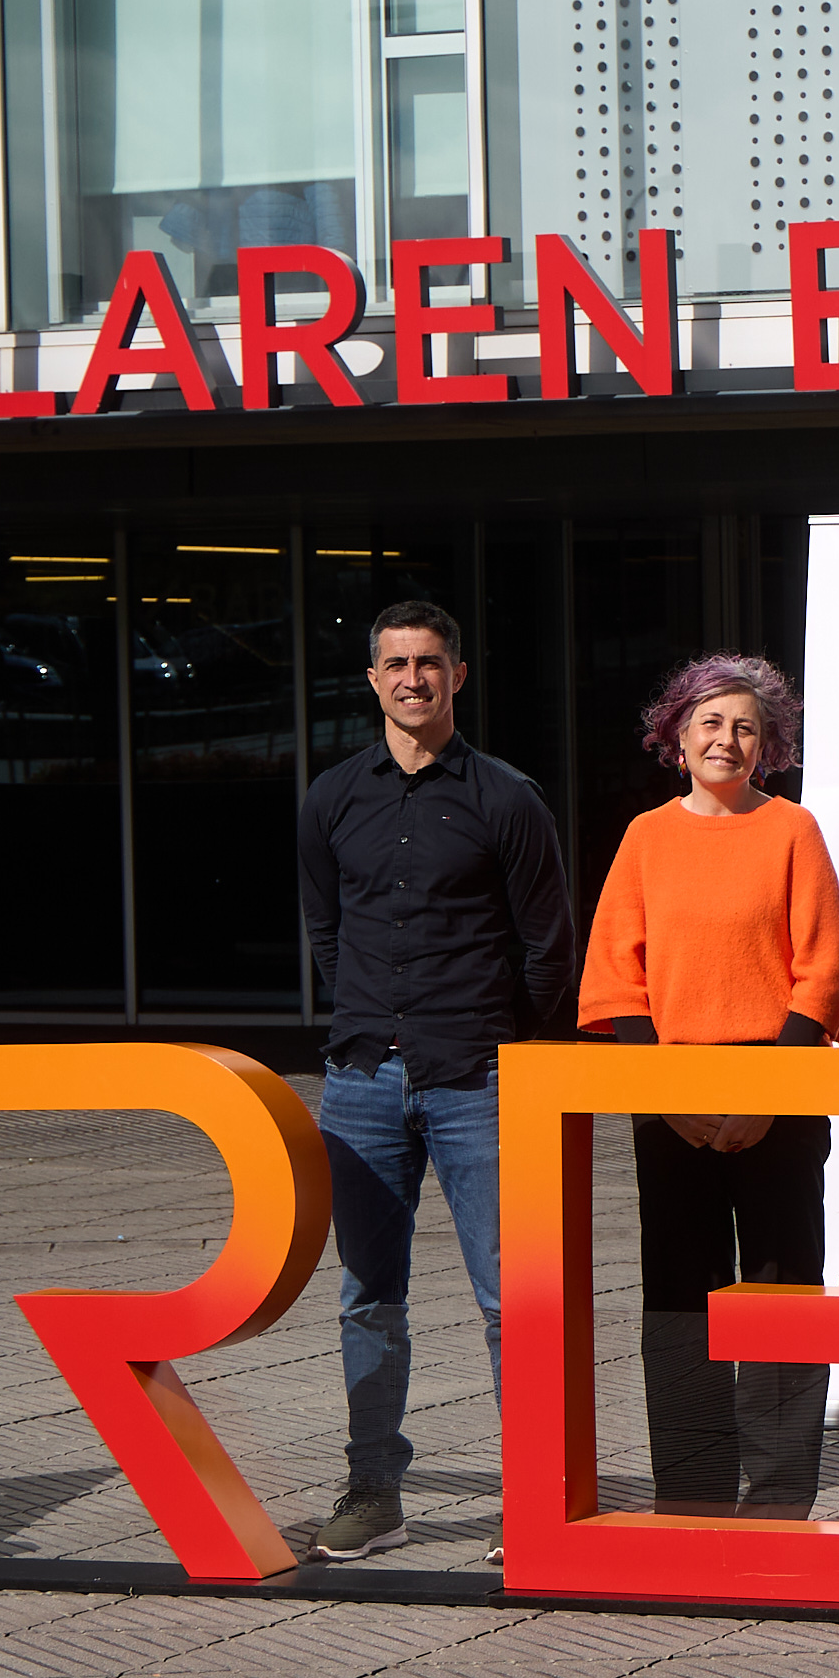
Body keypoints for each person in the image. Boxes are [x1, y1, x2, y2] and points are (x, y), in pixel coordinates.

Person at [297, 600, 577, 1562]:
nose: (412, 679)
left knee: (509, 1300)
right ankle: (374, 1490)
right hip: (363, 1082)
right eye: (394, 665)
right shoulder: (331, 798)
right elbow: (327, 932)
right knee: (367, 1294)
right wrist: (376, 1022)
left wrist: (502, 1044)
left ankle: (532, 1499)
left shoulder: (508, 799)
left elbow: (548, 950)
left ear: (459, 676)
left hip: (477, 1084)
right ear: (371, 679)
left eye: (429, 663)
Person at [579, 656, 839, 1518]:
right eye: (709, 723)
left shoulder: (793, 831)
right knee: (679, 1300)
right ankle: (692, 1498)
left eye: (744, 726)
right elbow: (616, 978)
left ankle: (776, 1500)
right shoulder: (645, 837)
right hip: (671, 1105)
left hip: (781, 1098)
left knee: (780, 1296)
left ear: (767, 743)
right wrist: (669, 1094)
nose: (725, 740)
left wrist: (765, 1092)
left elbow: (824, 971)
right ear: (677, 735)